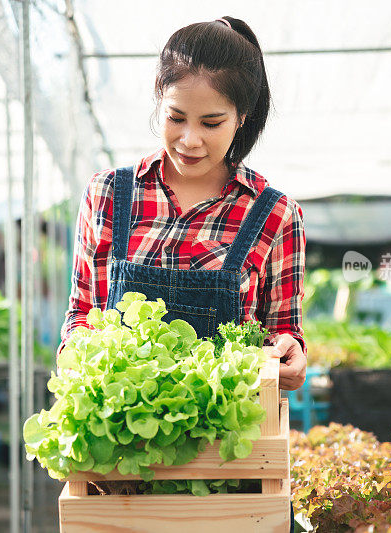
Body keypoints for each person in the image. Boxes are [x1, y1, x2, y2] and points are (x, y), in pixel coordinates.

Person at [60, 16, 307, 392]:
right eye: (176, 117)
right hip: (124, 437)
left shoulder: (275, 214)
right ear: (159, 102)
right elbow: (82, 313)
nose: (190, 140)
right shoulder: (107, 194)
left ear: (241, 118)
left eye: (211, 123)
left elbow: (282, 330)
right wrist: (78, 354)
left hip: (230, 440)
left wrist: (288, 352)